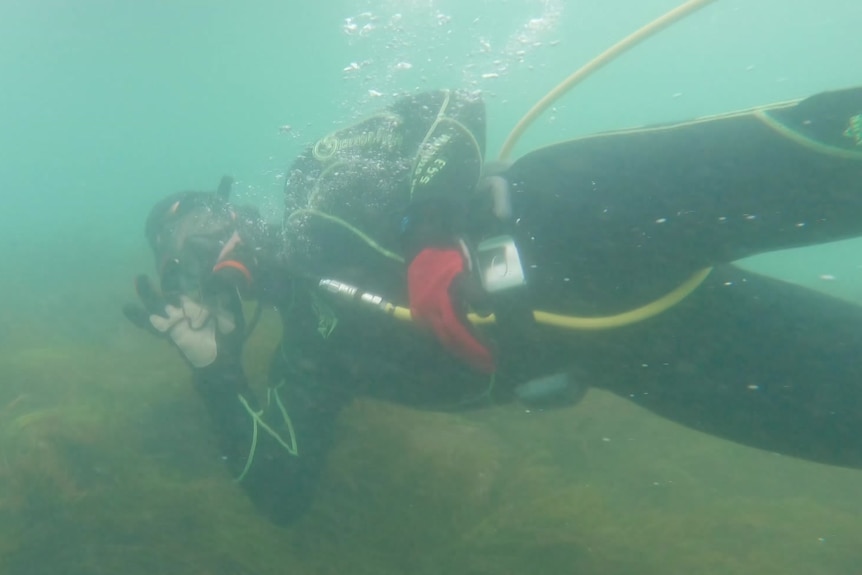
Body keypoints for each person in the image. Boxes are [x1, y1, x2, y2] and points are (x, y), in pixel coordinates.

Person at [125, 87, 862, 525]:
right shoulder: (311, 356)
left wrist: (433, 231)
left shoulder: (314, 181)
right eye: (180, 258)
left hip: (591, 203)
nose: (202, 250)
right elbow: (281, 490)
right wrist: (218, 376)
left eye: (200, 224)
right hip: (652, 351)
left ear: (234, 209)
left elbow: (445, 105)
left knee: (831, 149)